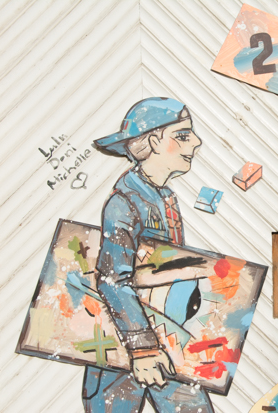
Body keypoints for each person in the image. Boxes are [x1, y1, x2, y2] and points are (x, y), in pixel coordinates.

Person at [83, 97, 214, 413]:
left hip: (165, 342)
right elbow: (113, 279)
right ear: (154, 141)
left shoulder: (165, 198)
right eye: (183, 135)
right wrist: (142, 348)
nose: (196, 143)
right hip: (125, 351)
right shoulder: (125, 202)